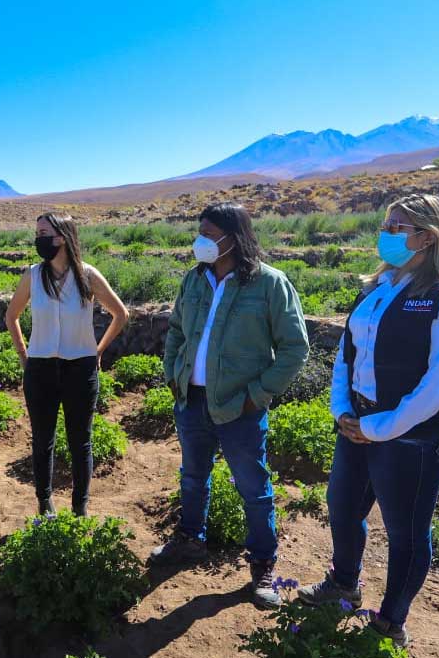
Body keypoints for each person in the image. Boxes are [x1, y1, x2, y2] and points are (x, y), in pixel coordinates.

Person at [296, 194, 439, 648]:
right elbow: (348, 354)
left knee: (406, 532)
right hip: (356, 425)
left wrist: (380, 427)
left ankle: (390, 622)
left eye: (398, 227)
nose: (386, 233)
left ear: (429, 237)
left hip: (412, 440)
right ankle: (344, 583)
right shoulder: (378, 288)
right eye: (387, 223)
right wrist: (342, 408)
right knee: (343, 508)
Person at [152, 203, 310, 609]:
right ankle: (190, 540)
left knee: (254, 490)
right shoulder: (194, 280)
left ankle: (262, 567)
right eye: (199, 231)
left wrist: (256, 396)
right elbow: (174, 330)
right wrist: (173, 372)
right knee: (192, 477)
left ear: (232, 237)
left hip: (240, 407)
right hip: (192, 400)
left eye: (208, 233)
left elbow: (295, 348)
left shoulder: (270, 284)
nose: (199, 240)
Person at [4, 212, 129, 517]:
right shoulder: (32, 276)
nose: (38, 239)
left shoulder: (87, 275)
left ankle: (79, 510)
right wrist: (25, 356)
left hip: (80, 370)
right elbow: (12, 316)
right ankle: (45, 505)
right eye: (37, 233)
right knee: (42, 440)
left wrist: (97, 351)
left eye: (44, 233)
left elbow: (121, 314)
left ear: (62, 237)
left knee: (80, 443)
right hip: (41, 370)